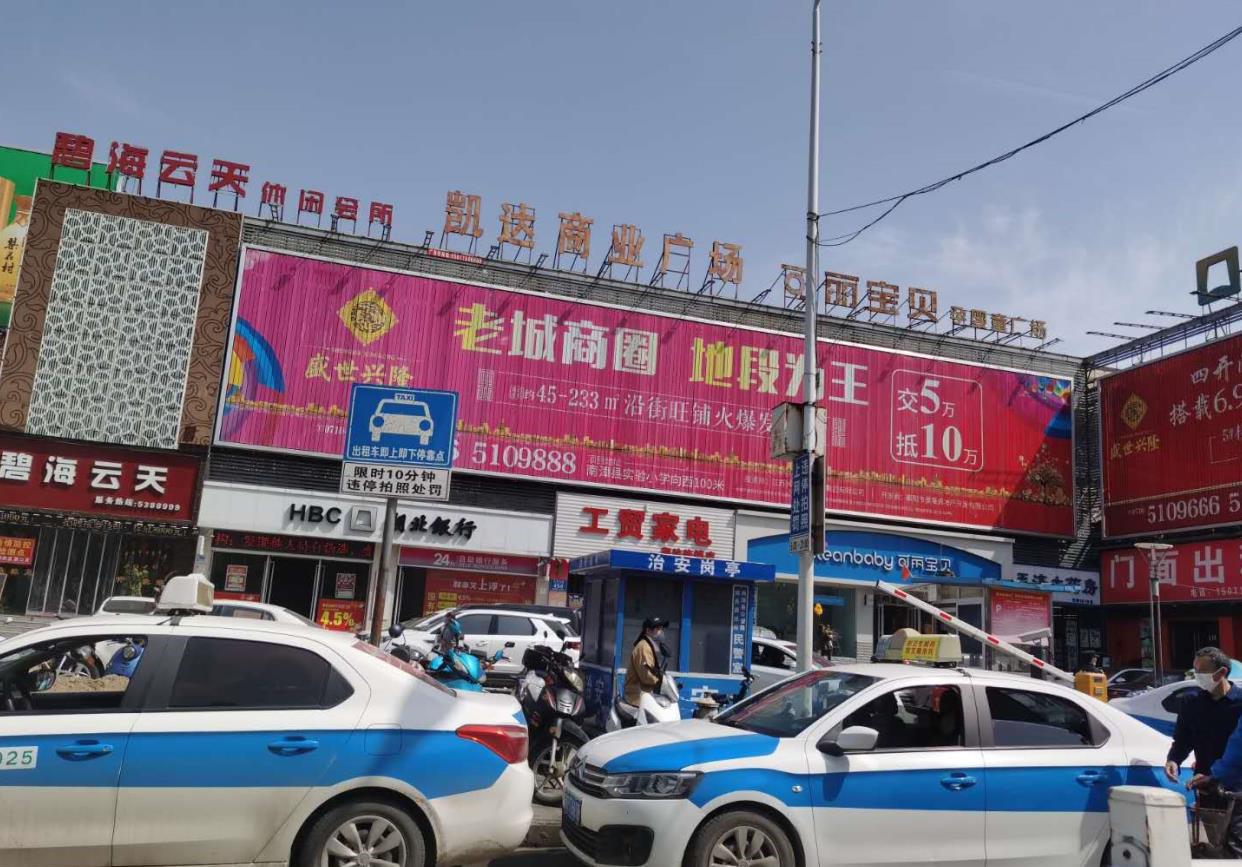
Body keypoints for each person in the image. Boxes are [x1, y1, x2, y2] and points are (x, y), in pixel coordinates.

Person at [1168, 647, 1242, 786]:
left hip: (1236, 786)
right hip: (1202, 782)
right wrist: (1173, 760)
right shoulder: (1191, 702)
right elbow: (1183, 739)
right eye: (1195, 671)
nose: (1197, 676)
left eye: (1202, 671)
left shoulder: (1239, 703)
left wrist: (1217, 776)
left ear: (1222, 672)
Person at [623, 616, 667, 705]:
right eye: (657, 628)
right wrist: (662, 682)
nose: (661, 632)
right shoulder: (644, 647)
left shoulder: (649, 645)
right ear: (648, 630)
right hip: (637, 697)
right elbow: (646, 676)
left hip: (645, 695)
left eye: (661, 628)